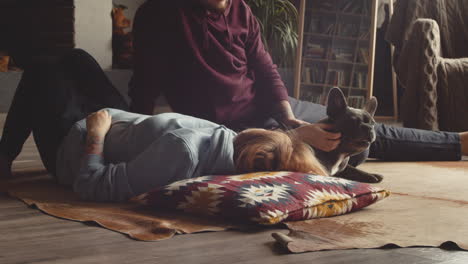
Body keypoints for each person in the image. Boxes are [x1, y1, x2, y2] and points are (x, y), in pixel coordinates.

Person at [128, 0, 468, 162]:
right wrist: (135, 137)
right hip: (226, 128)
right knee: (328, 142)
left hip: (268, 109)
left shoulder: (241, 11)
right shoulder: (160, 15)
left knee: (356, 127)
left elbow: (266, 71)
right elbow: (144, 86)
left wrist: (289, 116)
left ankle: (460, 142)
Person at [0, 49, 327, 202]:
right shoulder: (230, 143)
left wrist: (96, 136)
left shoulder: (184, 150)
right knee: (77, 59)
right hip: (122, 122)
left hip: (72, 145)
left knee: (42, 65)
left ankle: (3, 157)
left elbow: (93, 185)